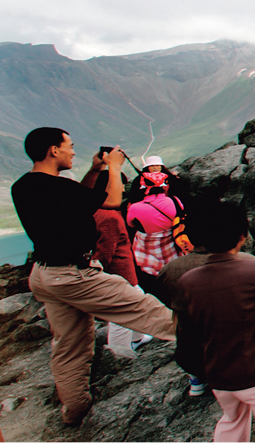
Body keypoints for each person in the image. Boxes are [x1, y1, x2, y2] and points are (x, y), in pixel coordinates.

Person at [11, 128, 175, 426]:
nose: (73, 151)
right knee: (145, 309)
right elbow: (111, 201)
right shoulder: (56, 187)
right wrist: (113, 167)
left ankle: (74, 410)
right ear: (53, 151)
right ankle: (216, 339)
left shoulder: (24, 186)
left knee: (70, 346)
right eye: (69, 146)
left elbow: (80, 199)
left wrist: (93, 169)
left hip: (45, 275)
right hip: (75, 274)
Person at [174, 202, 255, 442]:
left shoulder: (187, 282)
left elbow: (189, 326)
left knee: (232, 422)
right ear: (242, 237)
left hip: (219, 372)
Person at [155, 200, 255, 397]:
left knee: (182, 313)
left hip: (191, 358)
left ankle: (197, 378)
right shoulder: (250, 265)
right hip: (237, 357)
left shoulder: (170, 270)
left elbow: (165, 299)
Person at [92, 170, 151, 351]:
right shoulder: (109, 216)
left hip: (121, 274)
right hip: (120, 274)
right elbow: (104, 253)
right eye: (120, 185)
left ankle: (138, 337)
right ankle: (119, 354)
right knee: (121, 315)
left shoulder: (95, 211)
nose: (123, 190)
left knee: (138, 300)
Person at [126, 171, 183, 294]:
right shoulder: (175, 201)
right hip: (172, 246)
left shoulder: (135, 207)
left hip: (147, 249)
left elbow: (130, 224)